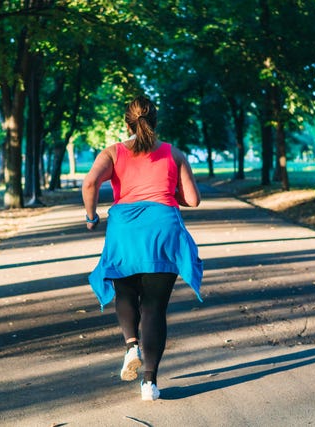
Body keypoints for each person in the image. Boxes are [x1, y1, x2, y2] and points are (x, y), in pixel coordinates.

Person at [82, 95, 203, 401]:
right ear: (156, 120)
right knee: (154, 308)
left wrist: (91, 216)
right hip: (164, 231)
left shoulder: (112, 152)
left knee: (125, 292)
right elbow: (193, 199)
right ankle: (149, 383)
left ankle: (130, 346)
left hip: (126, 232)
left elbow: (89, 184)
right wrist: (169, 189)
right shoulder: (173, 153)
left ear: (127, 122)